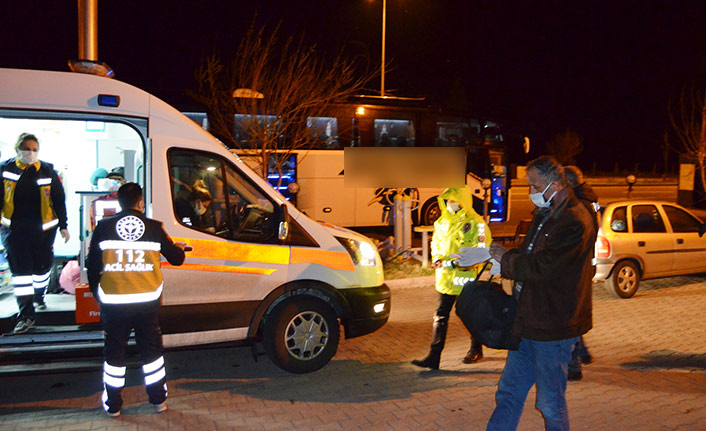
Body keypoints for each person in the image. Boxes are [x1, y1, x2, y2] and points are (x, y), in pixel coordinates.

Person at [487, 156, 596, 431]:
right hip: (527, 322)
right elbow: (530, 255)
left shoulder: (575, 220)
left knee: (549, 402)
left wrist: (507, 262)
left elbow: (546, 267)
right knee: (508, 393)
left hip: (553, 327)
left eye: (535, 186)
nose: (530, 193)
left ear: (556, 185)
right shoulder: (545, 213)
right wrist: (507, 257)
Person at [87, 182, 186, 417]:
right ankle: (158, 401)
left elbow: (92, 267)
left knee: (114, 355)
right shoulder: (153, 228)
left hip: (114, 304)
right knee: (151, 354)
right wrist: (179, 248)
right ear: (140, 202)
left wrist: (97, 294)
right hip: (146, 304)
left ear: (118, 202)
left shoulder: (103, 227)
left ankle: (113, 406)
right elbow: (176, 259)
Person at [411, 187, 491, 370]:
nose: (450, 204)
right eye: (447, 200)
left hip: (465, 279)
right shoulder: (442, 222)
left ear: (464, 201)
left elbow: (480, 251)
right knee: (440, 317)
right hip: (445, 280)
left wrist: (455, 263)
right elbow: (435, 243)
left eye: (454, 200)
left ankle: (476, 348)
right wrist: (437, 258)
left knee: (470, 316)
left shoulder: (476, 223)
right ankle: (434, 356)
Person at [0, 133, 69, 334]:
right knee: (21, 275)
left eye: (34, 149)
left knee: (43, 267)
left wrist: (64, 225)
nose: (30, 153)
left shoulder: (47, 170)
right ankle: (26, 314)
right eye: (26, 148)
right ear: (17, 149)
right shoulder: (5, 169)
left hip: (44, 231)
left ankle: (39, 294)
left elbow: (58, 199)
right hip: (14, 231)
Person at [564, 165, 597, 380]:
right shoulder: (589, 198)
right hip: (585, 263)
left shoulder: (580, 206)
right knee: (574, 309)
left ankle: (574, 365)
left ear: (570, 183)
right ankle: (582, 351)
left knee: (570, 313)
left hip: (576, 266)